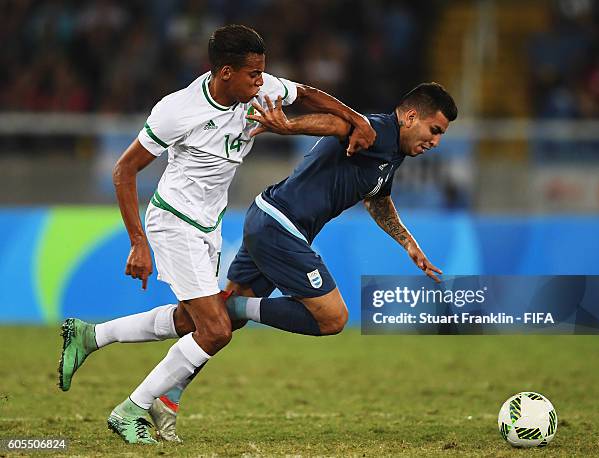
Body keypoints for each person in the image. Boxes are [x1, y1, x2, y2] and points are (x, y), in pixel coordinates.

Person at [57, 24, 376, 445]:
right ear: (225, 72)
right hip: (174, 222)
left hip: (208, 225)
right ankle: (130, 409)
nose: (262, 82)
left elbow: (307, 93)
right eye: (253, 75)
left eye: (263, 74)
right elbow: (124, 170)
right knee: (216, 330)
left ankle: (89, 335)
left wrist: (355, 119)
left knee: (193, 321)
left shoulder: (257, 91)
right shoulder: (177, 110)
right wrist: (138, 242)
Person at [152, 82, 458, 440]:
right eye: (434, 130)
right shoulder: (375, 130)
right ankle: (235, 309)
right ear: (410, 116)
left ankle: (163, 392)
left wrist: (408, 243)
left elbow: (377, 198)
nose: (435, 142)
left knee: (216, 325)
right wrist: (288, 126)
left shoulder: (391, 153)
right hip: (282, 226)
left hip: (266, 217)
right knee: (332, 318)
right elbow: (336, 124)